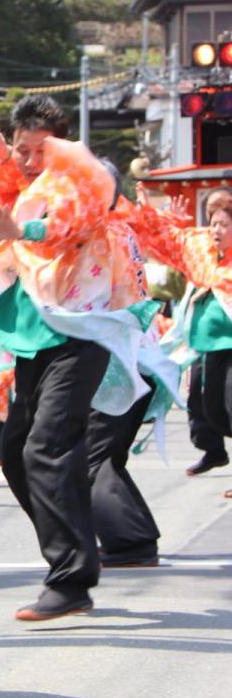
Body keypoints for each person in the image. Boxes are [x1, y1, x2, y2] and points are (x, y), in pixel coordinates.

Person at [0, 95, 152, 621]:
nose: (28, 159)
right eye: (22, 149)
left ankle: (70, 578)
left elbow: (66, 222)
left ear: (61, 145)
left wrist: (22, 229)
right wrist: (0, 164)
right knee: (19, 449)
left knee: (49, 445)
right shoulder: (29, 185)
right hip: (39, 336)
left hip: (82, 332)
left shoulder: (85, 179)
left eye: (38, 149)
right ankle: (77, 549)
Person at [124, 184, 232, 496]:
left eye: (224, 224)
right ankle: (213, 450)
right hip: (204, 343)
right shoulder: (199, 247)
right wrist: (152, 214)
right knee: (211, 410)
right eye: (213, 222)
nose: (216, 229)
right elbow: (164, 240)